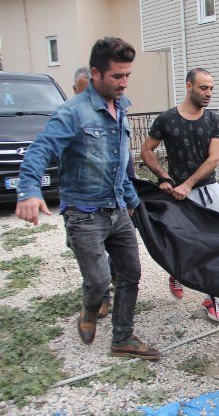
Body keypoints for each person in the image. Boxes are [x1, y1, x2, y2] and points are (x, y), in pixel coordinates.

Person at [15, 36, 160, 360]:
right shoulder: (73, 113)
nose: (123, 83)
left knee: (131, 273)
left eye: (127, 76)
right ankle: (90, 310)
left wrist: (133, 202)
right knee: (97, 280)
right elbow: (41, 150)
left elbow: (120, 165)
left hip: (117, 208)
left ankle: (122, 338)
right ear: (95, 74)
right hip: (83, 212)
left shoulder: (122, 108)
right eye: (116, 77)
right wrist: (29, 190)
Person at [140, 68, 219, 323]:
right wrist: (164, 178)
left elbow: (214, 158)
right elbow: (147, 149)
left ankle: (213, 299)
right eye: (203, 88)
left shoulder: (214, 120)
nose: (209, 93)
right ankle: (176, 273)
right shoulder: (166, 119)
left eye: (211, 88)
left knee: (215, 247)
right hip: (176, 196)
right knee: (179, 241)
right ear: (189, 87)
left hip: (208, 192)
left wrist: (188, 184)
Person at [70, 66, 137, 319]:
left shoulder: (117, 111)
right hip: (85, 208)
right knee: (94, 265)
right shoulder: (72, 117)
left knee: (124, 261)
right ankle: (99, 298)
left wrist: (130, 195)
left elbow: (124, 156)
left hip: (116, 201)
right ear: (75, 91)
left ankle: (121, 330)